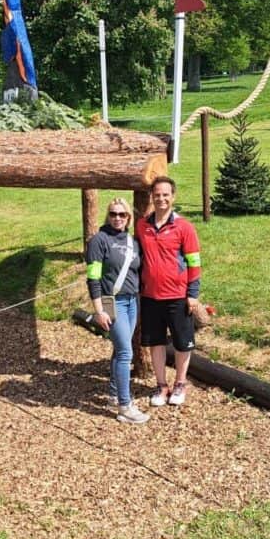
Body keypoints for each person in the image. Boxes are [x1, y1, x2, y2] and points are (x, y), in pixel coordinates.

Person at [136, 176, 202, 408]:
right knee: (156, 342)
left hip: (177, 295)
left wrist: (193, 293)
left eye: (165, 194)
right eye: (157, 195)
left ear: (173, 197)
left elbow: (194, 262)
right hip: (151, 296)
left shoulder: (184, 227)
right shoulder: (142, 226)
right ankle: (161, 384)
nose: (161, 198)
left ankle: (180, 383)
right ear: (152, 197)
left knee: (183, 343)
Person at [86, 198, 148, 424]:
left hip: (132, 301)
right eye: (113, 214)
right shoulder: (99, 241)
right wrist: (99, 310)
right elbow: (93, 278)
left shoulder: (132, 241)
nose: (118, 218)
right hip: (112, 302)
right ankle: (125, 406)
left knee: (121, 348)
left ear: (128, 218)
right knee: (125, 353)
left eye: (122, 214)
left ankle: (113, 394)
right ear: (107, 215)